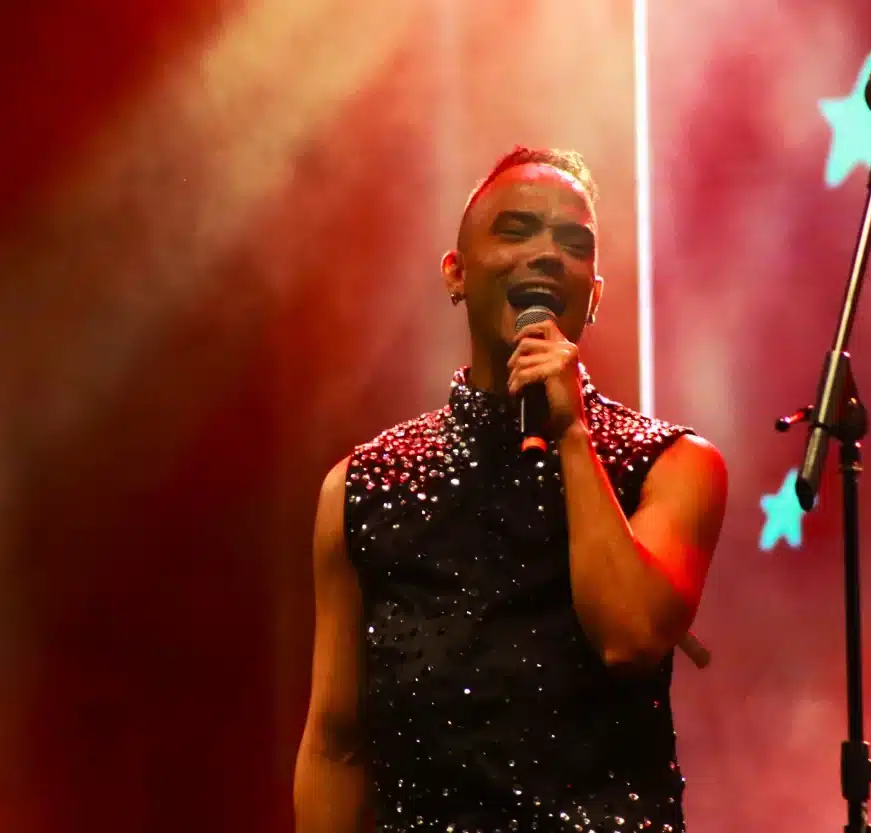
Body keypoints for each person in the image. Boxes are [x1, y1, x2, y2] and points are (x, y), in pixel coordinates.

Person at [294, 146, 728, 833]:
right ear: (456, 273)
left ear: (595, 293)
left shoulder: (671, 464)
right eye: (517, 231)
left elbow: (630, 636)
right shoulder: (363, 487)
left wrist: (572, 433)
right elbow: (335, 744)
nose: (547, 254)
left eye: (573, 244)